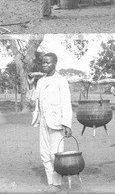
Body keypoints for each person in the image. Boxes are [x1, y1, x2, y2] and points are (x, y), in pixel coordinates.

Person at [27, 53, 73, 193]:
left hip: (57, 122)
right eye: (43, 62)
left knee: (56, 154)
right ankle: (50, 182)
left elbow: (66, 103)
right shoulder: (40, 81)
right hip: (43, 122)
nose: (45, 65)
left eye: (48, 62)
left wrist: (67, 124)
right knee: (44, 153)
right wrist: (30, 86)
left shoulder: (60, 80)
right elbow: (32, 101)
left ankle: (57, 184)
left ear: (55, 63)